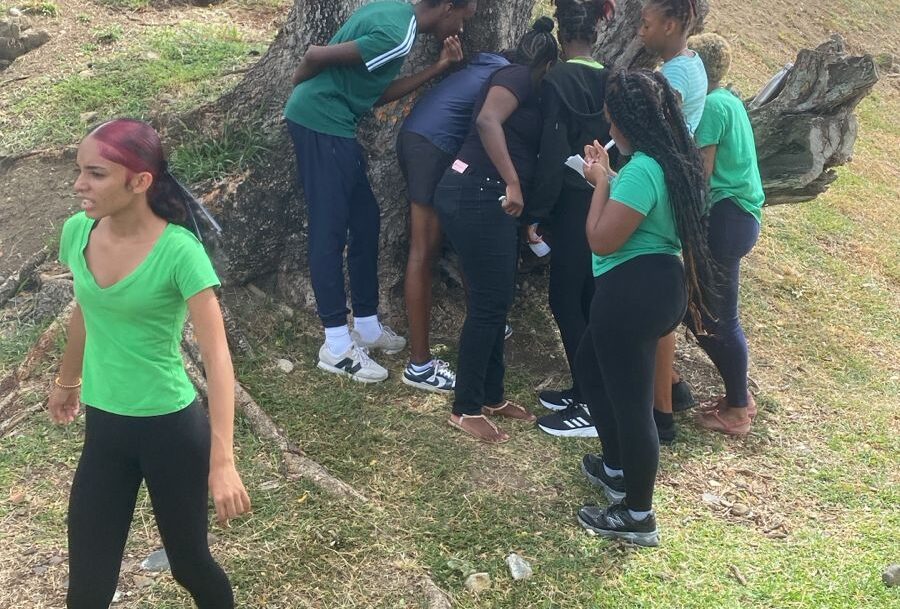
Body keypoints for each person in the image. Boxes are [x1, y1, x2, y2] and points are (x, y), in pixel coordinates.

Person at [50, 119, 251, 608]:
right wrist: (67, 380)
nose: (79, 185)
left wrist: (223, 461)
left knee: (190, 566)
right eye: (79, 170)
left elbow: (217, 356)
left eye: (96, 174)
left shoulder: (180, 251)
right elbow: (86, 308)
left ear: (139, 181)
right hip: (106, 430)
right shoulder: (77, 232)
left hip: (171, 431)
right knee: (87, 589)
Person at [284, 0, 477, 383]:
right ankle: (337, 346)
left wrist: (438, 67)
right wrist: (300, 86)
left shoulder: (395, 15)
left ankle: (367, 326)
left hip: (337, 125)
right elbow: (314, 55)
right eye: (461, 18)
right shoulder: (397, 34)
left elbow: (373, 94)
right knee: (328, 230)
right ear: (447, 7)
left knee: (366, 221)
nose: (461, 29)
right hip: (321, 123)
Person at [575, 70, 717, 545]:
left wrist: (599, 182)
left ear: (628, 121)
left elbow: (601, 238)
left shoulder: (642, 169)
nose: (608, 127)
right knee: (590, 367)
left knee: (633, 407)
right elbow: (642, 208)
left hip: (631, 293)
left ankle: (638, 515)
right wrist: (611, 176)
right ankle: (617, 467)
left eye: (612, 119)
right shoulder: (670, 162)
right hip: (659, 286)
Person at [433, 18, 559, 442]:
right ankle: (465, 408)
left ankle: (490, 395)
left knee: (495, 299)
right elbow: (488, 121)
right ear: (547, 63)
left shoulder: (519, 81)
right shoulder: (517, 76)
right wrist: (513, 181)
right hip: (478, 192)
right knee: (489, 303)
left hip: (485, 196)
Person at [398, 49, 511, 394]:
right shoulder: (510, 75)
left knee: (457, 239)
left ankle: (487, 319)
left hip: (420, 138)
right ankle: (419, 366)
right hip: (433, 145)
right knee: (423, 251)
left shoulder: (486, 62)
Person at [530, 0, 616, 438]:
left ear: (562, 38)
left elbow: (550, 154)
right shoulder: (611, 79)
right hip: (605, 196)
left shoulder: (557, 80)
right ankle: (584, 388)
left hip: (569, 204)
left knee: (564, 300)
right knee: (587, 298)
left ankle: (589, 398)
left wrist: (535, 213)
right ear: (595, 36)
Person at [638, 0, 708, 442]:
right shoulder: (689, 64)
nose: (640, 31)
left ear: (670, 24)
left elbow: (658, 124)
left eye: (646, 24)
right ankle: (673, 386)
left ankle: (660, 412)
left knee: (656, 308)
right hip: (673, 186)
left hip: (662, 189)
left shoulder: (676, 77)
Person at [689, 33, 764, 435]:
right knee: (703, 311)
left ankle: (738, 408)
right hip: (738, 215)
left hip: (726, 216)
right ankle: (737, 397)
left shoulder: (713, 106)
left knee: (718, 317)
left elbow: (702, 174)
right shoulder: (728, 100)